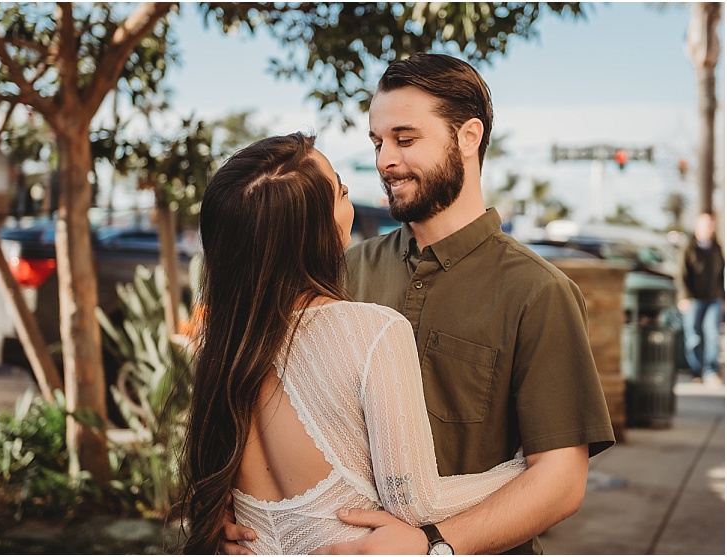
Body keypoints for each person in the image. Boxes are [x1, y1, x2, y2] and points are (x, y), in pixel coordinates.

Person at [181, 132, 528, 554]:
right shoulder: (371, 332)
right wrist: (525, 469)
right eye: (343, 192)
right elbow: (416, 502)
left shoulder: (224, 346)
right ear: (316, 230)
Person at [676, 211, 725, 385]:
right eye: (705, 224)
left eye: (711, 224)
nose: (708, 228)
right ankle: (696, 371)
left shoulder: (716, 247)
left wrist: (723, 299)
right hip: (693, 298)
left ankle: (711, 371)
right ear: (697, 225)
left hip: (714, 298)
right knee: (694, 337)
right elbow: (682, 274)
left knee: (712, 334)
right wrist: (684, 297)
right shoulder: (689, 247)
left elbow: (721, 276)